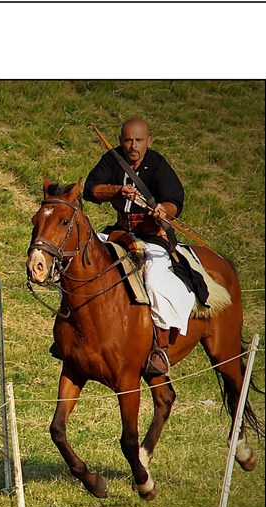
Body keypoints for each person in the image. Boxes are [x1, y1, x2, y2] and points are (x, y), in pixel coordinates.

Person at [84, 117, 196, 377]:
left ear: (149, 141)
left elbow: (174, 200)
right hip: (120, 232)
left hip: (151, 236)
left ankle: (160, 346)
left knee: (155, 280)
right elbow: (90, 190)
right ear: (121, 140)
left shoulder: (157, 164)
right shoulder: (112, 159)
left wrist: (162, 210)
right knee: (82, 260)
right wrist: (116, 190)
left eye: (138, 140)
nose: (133, 146)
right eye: (128, 140)